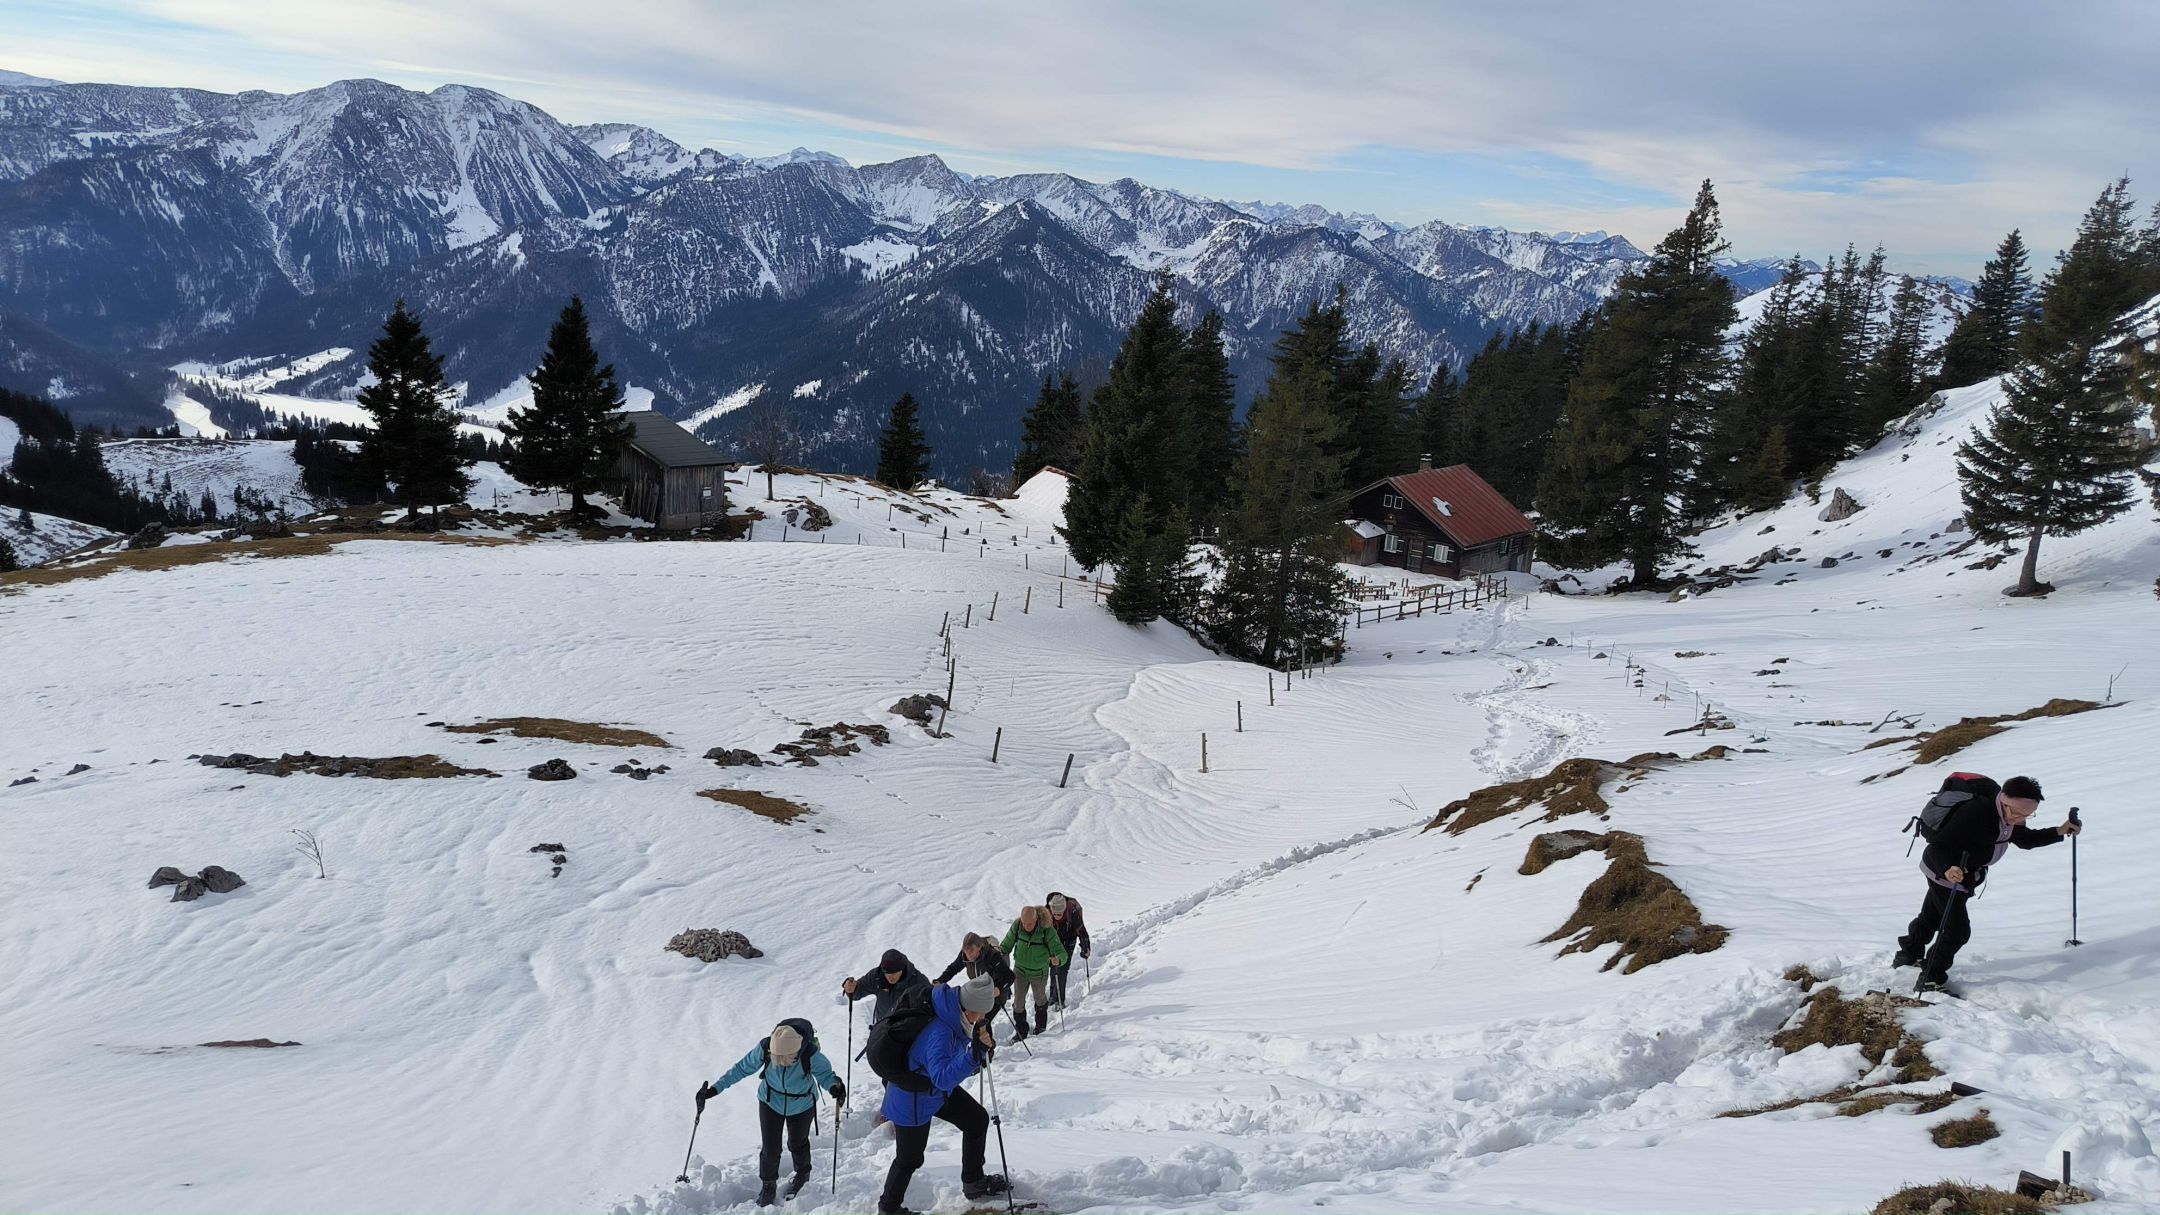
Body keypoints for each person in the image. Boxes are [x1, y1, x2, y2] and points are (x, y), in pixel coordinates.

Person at [1896, 773, 2080, 991]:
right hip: (1947, 874)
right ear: (2005, 801)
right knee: (1957, 931)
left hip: (1965, 875)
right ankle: (1930, 978)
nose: (2019, 819)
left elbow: (2025, 840)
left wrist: (2059, 831)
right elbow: (1937, 847)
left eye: (2027, 815)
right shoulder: (1976, 813)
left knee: (1933, 915)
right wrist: (1948, 868)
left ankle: (1909, 954)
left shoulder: (2009, 815)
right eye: (2017, 813)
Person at [878, 974, 1010, 1214]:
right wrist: (973, 1056)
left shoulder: (954, 1013)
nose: (984, 1017)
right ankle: (888, 1208)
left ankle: (973, 1182)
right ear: (972, 1008)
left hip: (934, 1092)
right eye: (983, 1012)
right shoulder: (940, 1032)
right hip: (912, 1099)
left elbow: (945, 1069)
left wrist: (978, 1053)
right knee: (909, 1158)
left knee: (976, 1120)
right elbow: (941, 1077)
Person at [696, 1019, 845, 1206]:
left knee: (797, 1143)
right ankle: (768, 1185)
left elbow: (825, 1075)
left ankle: (802, 1175)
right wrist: (714, 1090)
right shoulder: (766, 1048)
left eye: (785, 1059)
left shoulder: (809, 1053)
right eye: (776, 1058)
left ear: (796, 1052)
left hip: (802, 1104)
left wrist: (834, 1087)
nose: (780, 1063)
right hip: (770, 1101)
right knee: (770, 1149)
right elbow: (741, 1069)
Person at [999, 904, 1066, 1040]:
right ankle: (1021, 1031)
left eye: (1030, 923)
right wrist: (997, 954)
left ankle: (1040, 1027)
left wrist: (1058, 960)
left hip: (1039, 972)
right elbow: (1005, 945)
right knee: (1018, 1003)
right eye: (1024, 923)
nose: (1026, 926)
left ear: (1036, 920)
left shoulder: (1047, 930)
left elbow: (1062, 953)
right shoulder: (1017, 926)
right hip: (1020, 971)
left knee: (1040, 999)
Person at [933, 931, 1014, 1030]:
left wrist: (999, 989)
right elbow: (953, 969)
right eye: (966, 951)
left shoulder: (992, 956)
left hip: (994, 996)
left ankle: (985, 1039)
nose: (968, 955)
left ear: (979, 947)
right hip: (978, 993)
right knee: (972, 1023)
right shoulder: (965, 955)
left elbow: (1010, 976)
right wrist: (940, 981)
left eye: (971, 951)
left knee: (980, 1026)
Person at [844, 948, 931, 1030]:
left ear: (902, 969)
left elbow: (931, 1002)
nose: (891, 978)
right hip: (882, 1029)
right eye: (887, 974)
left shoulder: (917, 980)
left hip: (907, 1031)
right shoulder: (877, 976)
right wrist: (851, 989)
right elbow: (859, 990)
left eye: (894, 973)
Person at [1045, 892, 1091, 1009]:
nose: (1057, 916)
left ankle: (1060, 1000)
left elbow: (1081, 931)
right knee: (1053, 967)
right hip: (1053, 942)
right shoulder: (1046, 913)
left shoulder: (1072, 912)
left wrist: (1085, 947)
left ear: (1064, 909)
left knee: (1062, 969)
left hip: (1068, 941)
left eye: (1060, 914)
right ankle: (1053, 997)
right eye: (1055, 914)